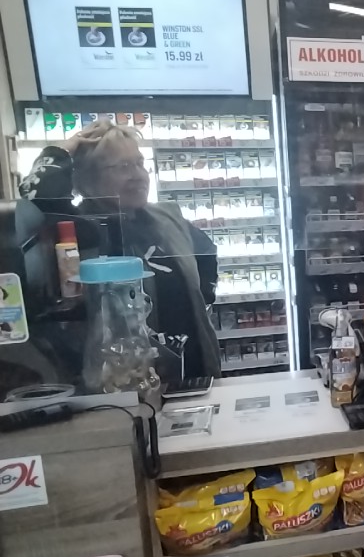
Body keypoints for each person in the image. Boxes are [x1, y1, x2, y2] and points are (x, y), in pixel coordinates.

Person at [20, 120, 221, 378]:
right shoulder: (78, 229)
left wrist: (200, 301)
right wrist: (63, 150)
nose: (138, 175)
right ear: (87, 179)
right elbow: (36, 198)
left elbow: (206, 256)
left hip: (193, 371)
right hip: (119, 380)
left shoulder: (168, 216)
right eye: (123, 167)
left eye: (139, 163)